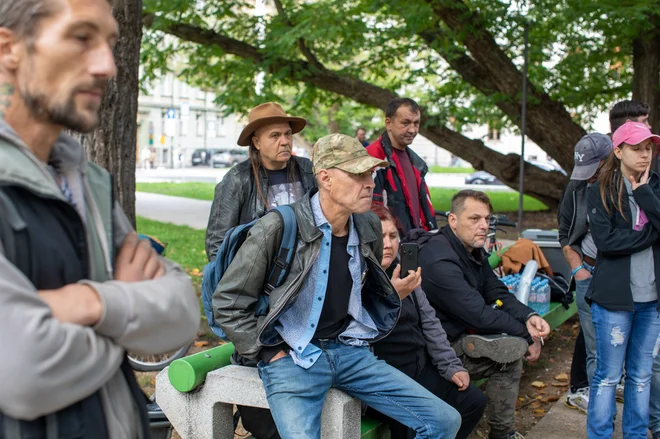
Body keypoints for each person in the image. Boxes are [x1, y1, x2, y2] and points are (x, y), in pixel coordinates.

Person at [0, 0, 201, 437]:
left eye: (110, 42)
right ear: (8, 49)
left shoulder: (87, 181)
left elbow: (182, 312)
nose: (108, 65)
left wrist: (93, 302)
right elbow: (23, 371)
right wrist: (126, 311)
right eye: (81, 37)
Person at [213, 133, 462, 439]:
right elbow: (228, 302)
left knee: (445, 421)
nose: (370, 182)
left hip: (350, 352)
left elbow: (362, 288)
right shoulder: (277, 226)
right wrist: (269, 354)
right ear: (326, 179)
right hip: (292, 357)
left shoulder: (368, 225)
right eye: (358, 174)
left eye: (370, 174)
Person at [415, 190, 551, 439]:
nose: (483, 226)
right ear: (453, 220)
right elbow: (477, 314)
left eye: (487, 219)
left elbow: (496, 293)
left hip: (459, 335)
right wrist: (527, 336)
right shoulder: (439, 259)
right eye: (474, 219)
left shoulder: (469, 249)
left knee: (510, 351)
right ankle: (502, 433)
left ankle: (502, 433)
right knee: (510, 351)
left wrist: (528, 316)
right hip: (435, 352)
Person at [370, 204, 487, 439]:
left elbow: (430, 324)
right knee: (415, 424)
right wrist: (392, 297)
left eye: (393, 236)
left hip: (420, 369)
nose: (388, 244)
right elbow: (360, 332)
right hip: (384, 379)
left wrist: (450, 365)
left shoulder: (405, 273)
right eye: (379, 236)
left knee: (473, 401)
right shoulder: (360, 278)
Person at [585, 121, 660, 439]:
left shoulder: (654, 186)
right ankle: (600, 435)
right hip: (615, 300)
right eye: (637, 148)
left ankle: (635, 435)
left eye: (649, 148)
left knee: (642, 376)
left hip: (652, 300)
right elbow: (607, 242)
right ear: (618, 151)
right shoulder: (599, 190)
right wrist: (650, 233)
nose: (645, 155)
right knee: (608, 376)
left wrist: (644, 193)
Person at [205, 102, 317, 260]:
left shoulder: (308, 170)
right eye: (275, 135)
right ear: (257, 143)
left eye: (288, 134)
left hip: (305, 270)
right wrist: (235, 282)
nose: (285, 141)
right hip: (257, 275)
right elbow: (217, 243)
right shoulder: (238, 179)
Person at [557, 133, 613, 413]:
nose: (588, 177)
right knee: (595, 350)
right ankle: (600, 417)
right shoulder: (577, 186)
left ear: (609, 160)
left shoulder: (627, 186)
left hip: (621, 275)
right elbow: (564, 233)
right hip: (587, 271)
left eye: (594, 170)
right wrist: (578, 269)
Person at [367, 97, 437, 233]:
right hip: (389, 246)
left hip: (417, 244)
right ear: (388, 123)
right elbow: (370, 210)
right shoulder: (373, 157)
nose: (412, 130)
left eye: (416, 123)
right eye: (405, 123)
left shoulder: (417, 162)